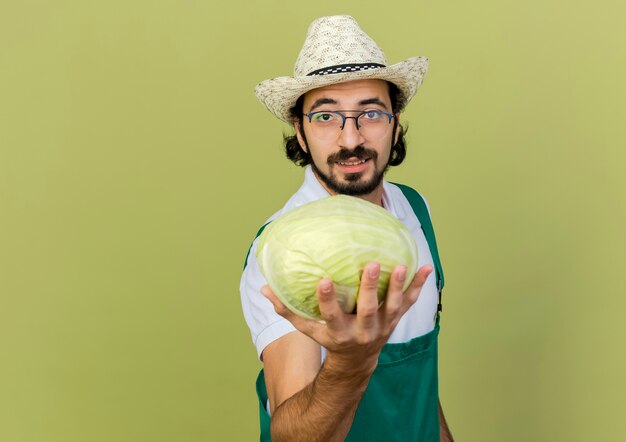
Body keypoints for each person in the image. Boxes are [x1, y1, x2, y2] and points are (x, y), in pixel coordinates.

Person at [240, 15, 454, 441]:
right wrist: (352, 362)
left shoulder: (415, 209)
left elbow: (417, 394)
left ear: (395, 125)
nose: (351, 138)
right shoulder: (281, 252)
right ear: (299, 133)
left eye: (371, 113)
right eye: (325, 117)